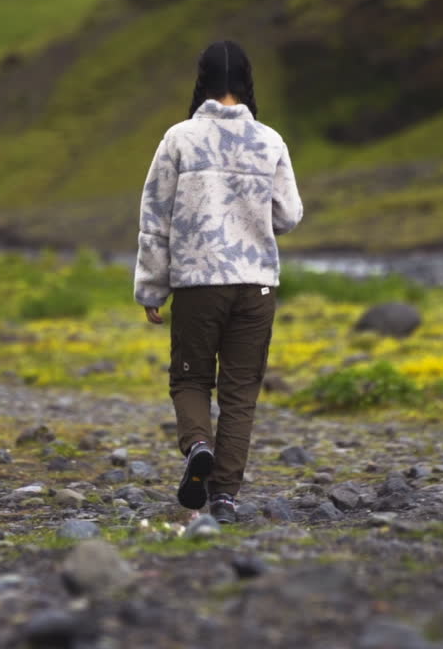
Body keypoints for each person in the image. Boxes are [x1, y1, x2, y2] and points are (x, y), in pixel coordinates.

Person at [133, 40, 303, 524]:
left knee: (189, 378)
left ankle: (198, 445)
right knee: (240, 391)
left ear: (201, 79)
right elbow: (288, 216)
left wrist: (151, 288)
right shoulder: (270, 140)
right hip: (255, 287)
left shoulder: (178, 138)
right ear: (246, 80)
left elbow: (155, 219)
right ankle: (224, 497)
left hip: (198, 284)